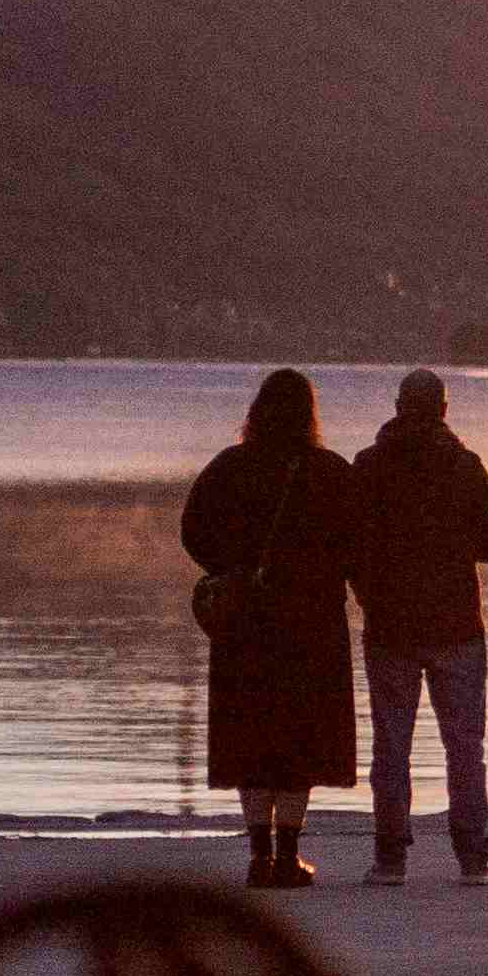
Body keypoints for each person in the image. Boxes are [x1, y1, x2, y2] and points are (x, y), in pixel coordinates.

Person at [180, 370, 360, 887]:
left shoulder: (228, 468)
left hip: (246, 624)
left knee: (252, 735)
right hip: (313, 624)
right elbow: (357, 542)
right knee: (300, 738)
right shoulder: (329, 472)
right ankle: (289, 854)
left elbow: (192, 532)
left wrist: (226, 569)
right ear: (310, 414)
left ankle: (258, 854)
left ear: (255, 411)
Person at [351, 367, 488, 888]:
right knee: (465, 747)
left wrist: (372, 592)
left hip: (390, 627)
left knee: (391, 746)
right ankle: (472, 859)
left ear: (398, 406)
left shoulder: (369, 467)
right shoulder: (465, 467)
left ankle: (390, 859)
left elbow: (351, 548)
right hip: (457, 625)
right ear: (443, 409)